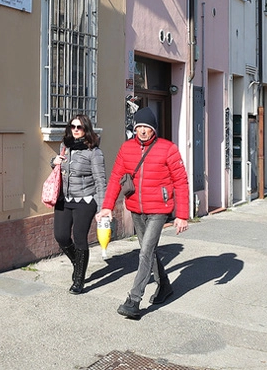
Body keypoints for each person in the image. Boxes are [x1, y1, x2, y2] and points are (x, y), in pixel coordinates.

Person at [96, 106, 190, 319]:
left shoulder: (168, 149)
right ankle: (164, 286)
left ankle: (134, 300)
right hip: (136, 209)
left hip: (159, 209)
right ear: (134, 128)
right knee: (149, 251)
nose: (143, 131)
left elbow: (181, 182)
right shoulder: (126, 148)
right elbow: (115, 178)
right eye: (139, 127)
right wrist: (107, 206)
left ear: (154, 129)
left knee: (145, 252)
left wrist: (182, 215)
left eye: (147, 127)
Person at [50, 114, 106, 294]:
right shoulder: (64, 147)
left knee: (80, 238)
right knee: (61, 236)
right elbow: (60, 169)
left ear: (86, 130)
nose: (75, 130)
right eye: (72, 126)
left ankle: (79, 280)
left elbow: (100, 180)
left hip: (85, 200)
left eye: (79, 127)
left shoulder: (94, 152)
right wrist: (54, 162)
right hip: (64, 199)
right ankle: (78, 263)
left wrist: (102, 207)